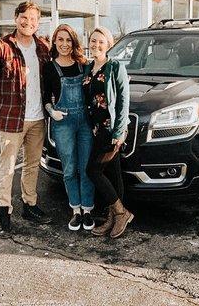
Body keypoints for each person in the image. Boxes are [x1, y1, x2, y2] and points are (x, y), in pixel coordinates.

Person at [0, 1, 52, 233]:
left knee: (32, 165)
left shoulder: (42, 48)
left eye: (33, 19)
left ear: (38, 23)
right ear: (16, 18)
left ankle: (29, 205)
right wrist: (5, 101)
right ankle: (4, 209)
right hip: (12, 120)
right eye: (24, 17)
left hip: (37, 118)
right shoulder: (1, 47)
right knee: (7, 166)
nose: (28, 22)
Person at [42, 24, 95, 231]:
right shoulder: (49, 67)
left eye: (68, 40)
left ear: (73, 42)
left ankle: (88, 210)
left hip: (84, 123)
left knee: (86, 168)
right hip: (62, 122)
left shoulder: (84, 65)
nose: (64, 44)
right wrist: (51, 111)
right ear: (54, 41)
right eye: (60, 40)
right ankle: (75, 210)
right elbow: (46, 97)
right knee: (70, 169)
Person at [83, 26, 132, 238]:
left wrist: (119, 132)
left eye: (101, 41)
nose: (96, 45)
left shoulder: (115, 67)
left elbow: (123, 101)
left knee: (92, 171)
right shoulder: (88, 68)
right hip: (96, 129)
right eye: (93, 41)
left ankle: (122, 213)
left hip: (111, 130)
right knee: (113, 173)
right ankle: (112, 218)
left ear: (109, 44)